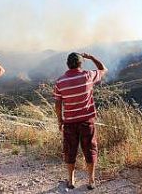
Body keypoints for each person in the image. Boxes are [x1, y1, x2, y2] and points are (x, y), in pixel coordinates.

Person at [53, 52, 107, 190]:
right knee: (90, 150)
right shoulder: (88, 76)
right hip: (86, 121)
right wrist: (92, 57)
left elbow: (58, 105)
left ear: (67, 64)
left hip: (69, 123)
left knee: (70, 150)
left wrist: (60, 121)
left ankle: (70, 180)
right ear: (80, 64)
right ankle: (91, 180)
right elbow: (103, 69)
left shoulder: (60, 81)